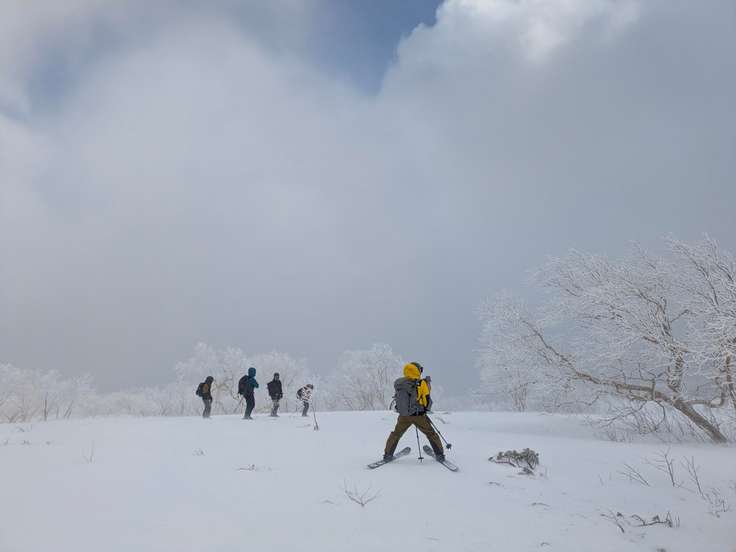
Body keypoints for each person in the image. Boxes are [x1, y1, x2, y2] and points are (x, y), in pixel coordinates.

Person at [383, 362, 444, 462]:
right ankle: (440, 454)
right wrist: (425, 408)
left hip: (403, 415)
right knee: (431, 433)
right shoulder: (421, 383)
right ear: (417, 370)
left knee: (396, 434)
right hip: (418, 415)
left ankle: (387, 454)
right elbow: (426, 400)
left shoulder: (399, 383)